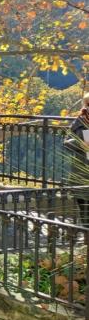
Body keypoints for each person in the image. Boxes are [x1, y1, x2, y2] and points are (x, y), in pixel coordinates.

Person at [64, 93, 89, 225]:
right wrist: (81, 144)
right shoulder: (79, 121)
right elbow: (66, 142)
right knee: (83, 205)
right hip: (81, 171)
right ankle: (86, 236)